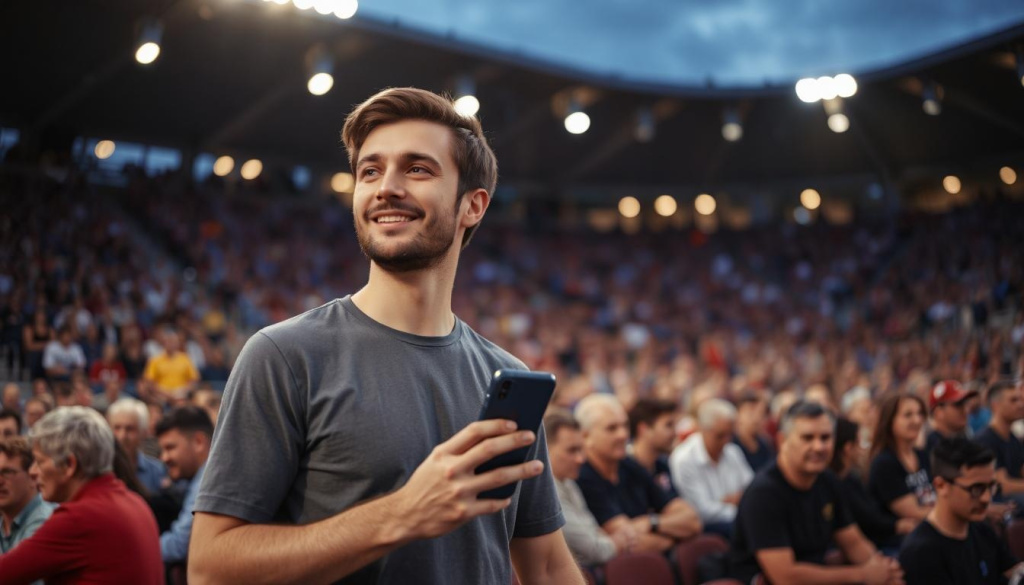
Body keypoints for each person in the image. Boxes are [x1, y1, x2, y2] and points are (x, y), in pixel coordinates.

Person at [189, 88, 578, 585]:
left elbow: (546, 567)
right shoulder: (285, 355)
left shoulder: (506, 377)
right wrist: (399, 515)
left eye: (417, 169)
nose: (386, 188)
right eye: (370, 171)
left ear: (473, 205)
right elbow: (210, 569)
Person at [730, 401, 904, 585]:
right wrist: (863, 574)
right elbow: (786, 577)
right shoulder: (763, 494)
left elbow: (854, 543)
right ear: (782, 441)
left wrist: (884, 570)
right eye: (807, 438)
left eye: (825, 437)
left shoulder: (827, 480)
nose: (819, 446)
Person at [0, 407, 162, 584]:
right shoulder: (136, 502)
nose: (32, 472)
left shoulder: (79, 518)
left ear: (69, 465)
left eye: (39, 462)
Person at [576, 394, 702, 553]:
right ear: (586, 436)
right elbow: (631, 542)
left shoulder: (630, 465)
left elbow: (692, 521)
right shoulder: (582, 476)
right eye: (612, 428)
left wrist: (651, 523)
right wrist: (674, 538)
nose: (623, 434)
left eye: (625, 426)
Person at [899, 437, 1021, 584]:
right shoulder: (922, 554)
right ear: (941, 486)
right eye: (976, 489)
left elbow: (1013, 570)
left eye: (991, 487)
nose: (987, 498)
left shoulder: (981, 530)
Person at [545, 409, 634, 566]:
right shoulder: (546, 493)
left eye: (581, 449)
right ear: (544, 450)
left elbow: (594, 533)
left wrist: (606, 542)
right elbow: (594, 550)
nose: (580, 459)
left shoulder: (568, 482)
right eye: (572, 450)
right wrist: (616, 542)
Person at [669, 398, 753, 537]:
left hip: (735, 521)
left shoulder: (732, 451)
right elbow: (702, 511)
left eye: (730, 435)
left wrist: (738, 501)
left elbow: (752, 489)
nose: (726, 441)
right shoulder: (684, 459)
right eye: (720, 436)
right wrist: (742, 506)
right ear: (702, 430)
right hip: (707, 530)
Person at [831, 417, 915, 550]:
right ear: (848, 448)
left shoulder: (852, 478)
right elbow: (868, 520)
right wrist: (897, 525)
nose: (863, 449)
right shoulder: (835, 483)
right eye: (859, 443)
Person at [156, 406, 212, 564]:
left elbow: (178, 545)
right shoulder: (202, 477)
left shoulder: (207, 481)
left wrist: (133, 551)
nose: (164, 458)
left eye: (170, 447)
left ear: (199, 442)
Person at [868, 393, 935, 523]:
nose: (917, 420)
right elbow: (914, 513)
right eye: (908, 415)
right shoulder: (884, 463)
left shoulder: (922, 455)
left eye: (920, 413)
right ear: (890, 421)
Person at [0, 437, 54, 553]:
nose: (0, 481)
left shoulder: (45, 522)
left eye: (7, 472)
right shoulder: (3, 524)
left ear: (33, 477)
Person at [975, 380, 1024, 505]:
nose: (1020, 405)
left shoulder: (1013, 438)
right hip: (996, 503)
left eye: (1020, 399)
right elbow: (1003, 486)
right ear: (995, 405)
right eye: (1013, 400)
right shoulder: (985, 440)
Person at [106, 398, 167, 495]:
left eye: (130, 429)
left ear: (144, 433)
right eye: (117, 428)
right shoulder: (100, 471)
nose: (122, 436)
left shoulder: (157, 471)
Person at [627, 397, 679, 497]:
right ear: (644, 429)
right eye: (668, 425)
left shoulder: (662, 466)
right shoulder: (624, 470)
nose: (674, 433)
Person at [141, 328, 199, 404]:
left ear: (178, 343)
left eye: (173, 341)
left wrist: (182, 391)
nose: (171, 344)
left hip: (182, 397)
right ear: (163, 343)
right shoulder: (155, 360)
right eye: (168, 341)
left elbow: (194, 380)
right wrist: (166, 393)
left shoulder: (185, 359)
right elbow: (149, 382)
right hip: (161, 398)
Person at [925, 380, 977, 455]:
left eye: (964, 404)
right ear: (939, 412)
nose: (965, 410)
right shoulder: (931, 448)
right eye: (958, 405)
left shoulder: (966, 437)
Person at [734, 393, 775, 472]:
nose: (756, 418)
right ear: (738, 414)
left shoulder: (765, 445)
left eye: (760, 413)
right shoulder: (731, 445)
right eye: (751, 412)